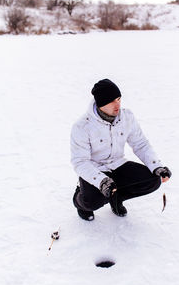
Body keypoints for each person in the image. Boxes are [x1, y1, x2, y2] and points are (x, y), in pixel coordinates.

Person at [70, 79, 171, 221]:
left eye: (119, 99)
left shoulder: (126, 117)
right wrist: (101, 181)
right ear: (101, 103)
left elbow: (140, 144)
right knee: (92, 201)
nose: (118, 104)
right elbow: (80, 162)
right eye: (112, 101)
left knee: (154, 180)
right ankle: (79, 200)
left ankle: (117, 198)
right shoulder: (82, 126)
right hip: (95, 169)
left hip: (118, 164)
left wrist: (157, 166)